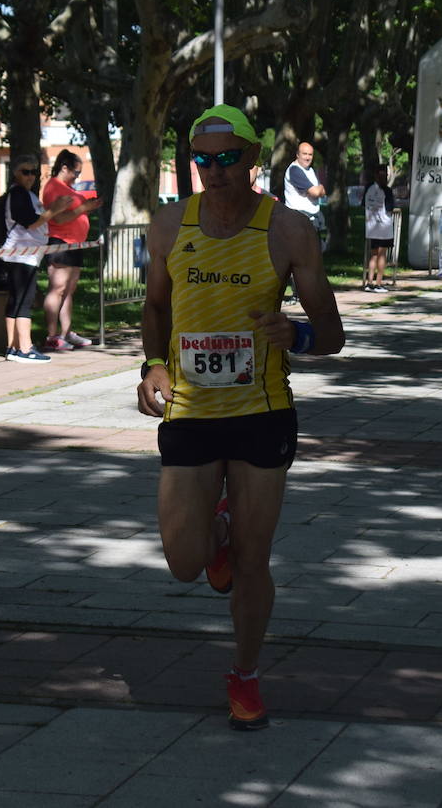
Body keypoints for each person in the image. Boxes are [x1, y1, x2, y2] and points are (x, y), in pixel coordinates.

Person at [137, 104, 345, 731]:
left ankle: (246, 676)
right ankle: (215, 534)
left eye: (228, 158)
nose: (215, 170)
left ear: (254, 159)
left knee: (254, 563)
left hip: (262, 411)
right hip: (191, 410)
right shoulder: (170, 225)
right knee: (182, 562)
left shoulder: (288, 232)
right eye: (203, 159)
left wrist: (299, 335)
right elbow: (154, 308)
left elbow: (332, 332)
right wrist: (152, 363)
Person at [2, 155, 73, 363]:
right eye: (26, 171)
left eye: (34, 172)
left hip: (26, 255)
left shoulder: (26, 194)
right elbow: (31, 223)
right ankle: (24, 348)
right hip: (21, 255)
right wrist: (55, 209)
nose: (31, 176)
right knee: (24, 301)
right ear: (15, 173)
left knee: (17, 301)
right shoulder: (18, 194)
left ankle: (13, 348)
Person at [40, 149, 102, 351]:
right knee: (57, 289)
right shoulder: (53, 188)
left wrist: (89, 206)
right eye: (76, 172)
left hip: (76, 243)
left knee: (68, 291)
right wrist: (83, 209)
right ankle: (52, 335)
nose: (77, 177)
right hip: (61, 243)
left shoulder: (69, 188)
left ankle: (66, 332)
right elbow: (57, 218)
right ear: (64, 168)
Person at [282, 142, 328, 249]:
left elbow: (321, 191)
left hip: (311, 220)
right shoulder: (295, 170)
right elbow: (316, 192)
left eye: (310, 154)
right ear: (297, 154)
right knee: (301, 253)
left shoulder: (310, 170)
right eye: (305, 154)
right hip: (298, 220)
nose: (307, 157)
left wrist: (319, 189)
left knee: (313, 254)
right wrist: (319, 188)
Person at [362, 166, 395, 291]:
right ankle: (378, 283)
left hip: (371, 226)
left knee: (373, 255)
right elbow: (390, 208)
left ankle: (369, 282)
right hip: (384, 227)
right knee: (382, 255)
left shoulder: (368, 188)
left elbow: (364, 204)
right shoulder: (386, 190)